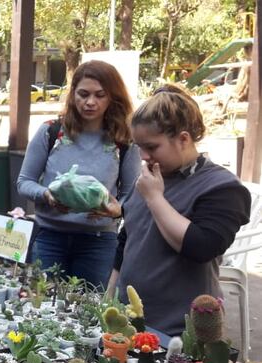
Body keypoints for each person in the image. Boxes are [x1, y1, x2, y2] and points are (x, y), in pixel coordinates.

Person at [109, 84, 251, 335]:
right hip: (127, 321)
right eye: (139, 146)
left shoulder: (222, 187)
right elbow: (127, 238)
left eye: (152, 147)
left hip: (181, 331)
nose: (143, 156)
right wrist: (110, 296)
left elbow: (202, 247)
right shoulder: (149, 177)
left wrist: (155, 198)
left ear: (183, 139)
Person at [16, 60, 140, 289]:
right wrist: (46, 195)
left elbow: (132, 194)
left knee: (92, 306)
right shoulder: (51, 131)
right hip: (49, 238)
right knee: (43, 302)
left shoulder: (124, 140)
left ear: (112, 97)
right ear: (73, 94)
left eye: (100, 95)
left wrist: (118, 210)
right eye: (83, 94)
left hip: (99, 243)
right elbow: (24, 182)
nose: (90, 102)